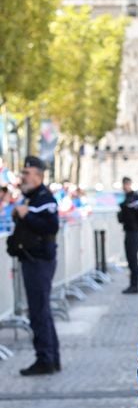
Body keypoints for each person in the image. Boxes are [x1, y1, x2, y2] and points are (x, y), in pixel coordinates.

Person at [6, 156, 61, 375]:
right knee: (42, 311)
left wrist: (26, 215)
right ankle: (51, 358)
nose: (23, 177)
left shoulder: (43, 198)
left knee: (39, 312)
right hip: (32, 259)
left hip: (39, 261)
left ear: (38, 175)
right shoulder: (31, 198)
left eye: (27, 173)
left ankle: (45, 359)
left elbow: (51, 226)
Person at [117, 176, 138, 294]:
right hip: (129, 230)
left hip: (134, 230)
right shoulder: (127, 198)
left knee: (132, 257)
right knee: (130, 258)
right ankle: (133, 284)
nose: (125, 187)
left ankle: (134, 285)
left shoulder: (134, 197)